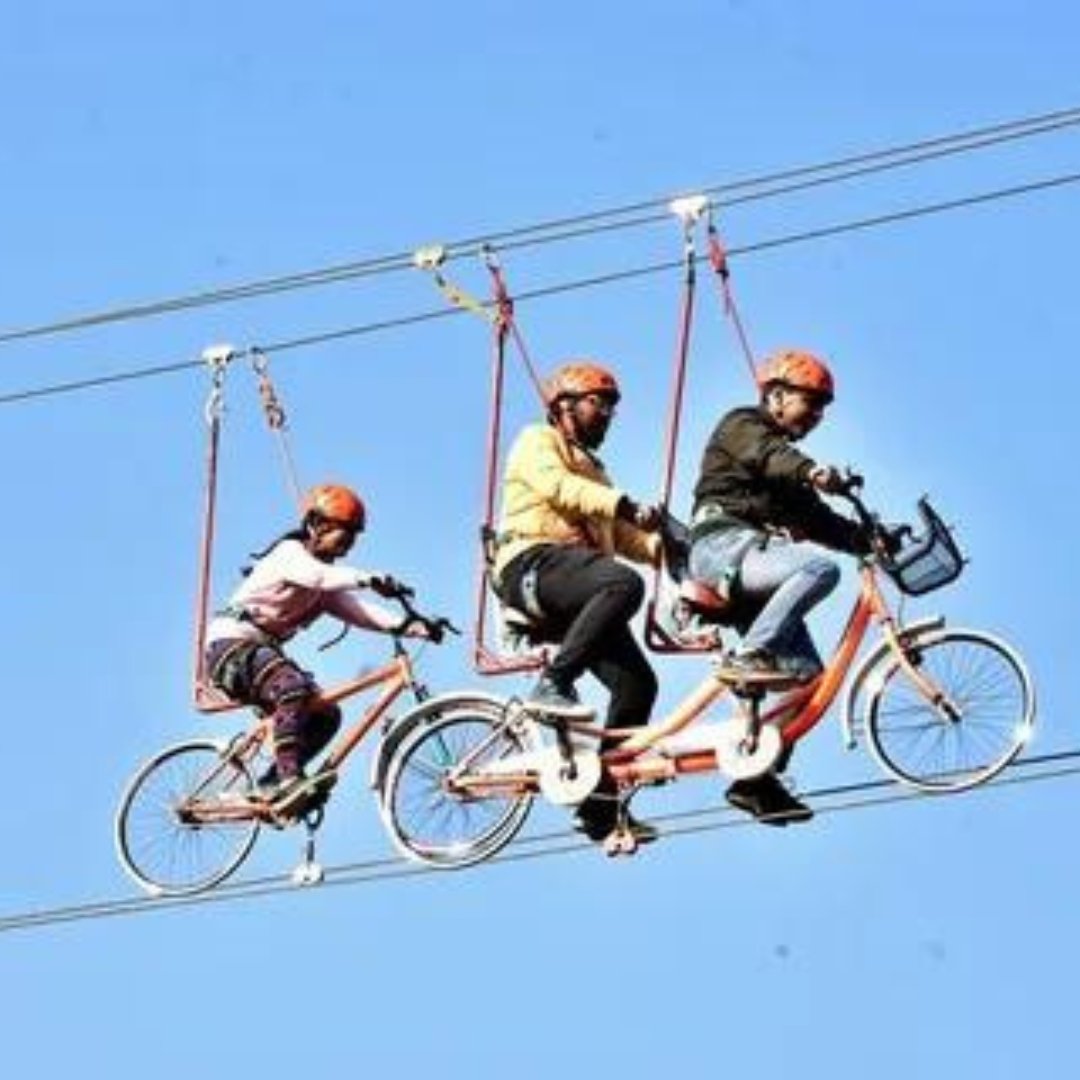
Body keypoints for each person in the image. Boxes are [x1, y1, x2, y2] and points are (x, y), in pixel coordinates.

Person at [688, 349, 870, 826]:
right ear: (776, 396)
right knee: (819, 570)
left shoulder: (786, 468)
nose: (816, 416)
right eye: (810, 403)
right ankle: (751, 655)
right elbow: (770, 456)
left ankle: (755, 779)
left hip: (754, 567)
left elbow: (817, 519)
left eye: (822, 408)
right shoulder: (742, 425)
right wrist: (812, 471)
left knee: (808, 680)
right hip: (721, 548)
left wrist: (870, 538)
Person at [492, 360, 663, 844]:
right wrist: (623, 504)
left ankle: (600, 807)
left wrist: (671, 546)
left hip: (576, 583)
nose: (606, 415)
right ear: (564, 406)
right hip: (532, 565)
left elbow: (625, 538)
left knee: (637, 685)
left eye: (610, 407)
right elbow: (559, 488)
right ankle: (554, 682)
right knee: (623, 584)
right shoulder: (537, 441)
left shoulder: (596, 473)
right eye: (597, 403)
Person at [204, 482, 430, 816]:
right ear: (317, 524)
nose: (349, 542)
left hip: (260, 653)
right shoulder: (290, 555)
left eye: (354, 535)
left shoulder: (323, 585)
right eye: (345, 532)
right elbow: (319, 577)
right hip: (230, 646)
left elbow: (359, 611)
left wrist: (410, 626)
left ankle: (271, 784)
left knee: (325, 714)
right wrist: (369, 578)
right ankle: (288, 778)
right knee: (291, 687)